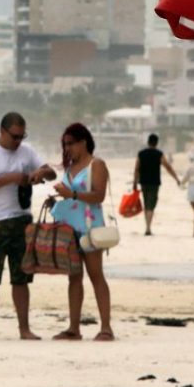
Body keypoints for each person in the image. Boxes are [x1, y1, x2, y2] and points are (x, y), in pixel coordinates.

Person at [0, 112, 56, 341]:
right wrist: (11, 178)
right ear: (2, 131)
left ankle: (24, 329)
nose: (18, 141)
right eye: (15, 136)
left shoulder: (27, 151)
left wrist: (40, 173)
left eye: (22, 136)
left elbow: (52, 172)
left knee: (21, 277)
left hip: (21, 220)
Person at [47, 123, 114, 342]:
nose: (67, 148)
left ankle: (106, 327)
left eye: (70, 144)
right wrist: (59, 198)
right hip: (68, 228)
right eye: (65, 144)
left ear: (83, 142)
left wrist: (71, 194)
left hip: (89, 227)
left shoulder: (97, 165)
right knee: (73, 277)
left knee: (96, 275)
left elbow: (98, 196)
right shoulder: (69, 167)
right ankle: (74, 328)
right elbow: (72, 196)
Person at [133, 133, 181, 236]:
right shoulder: (159, 154)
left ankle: (147, 227)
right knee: (151, 205)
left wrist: (134, 183)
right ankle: (148, 228)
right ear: (156, 143)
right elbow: (168, 167)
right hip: (154, 183)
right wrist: (176, 178)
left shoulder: (141, 153)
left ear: (148, 142)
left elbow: (136, 168)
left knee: (146, 203)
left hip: (143, 182)